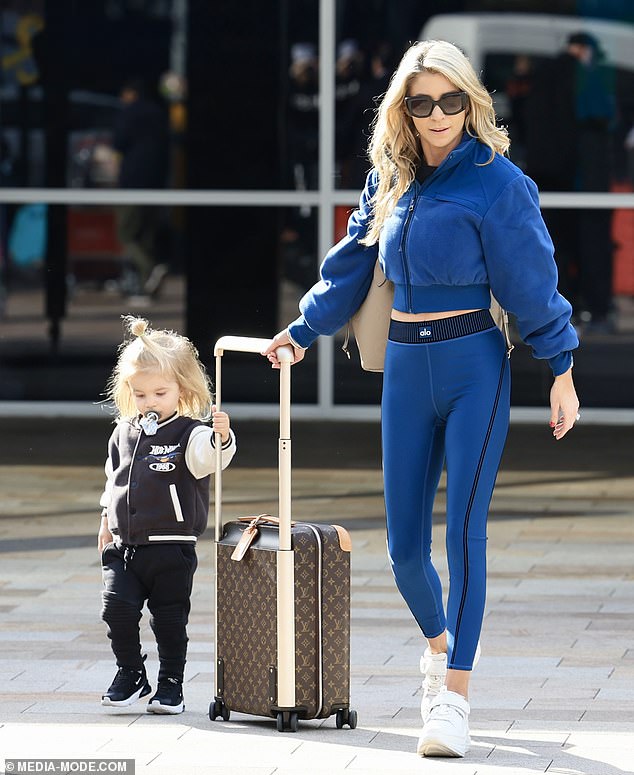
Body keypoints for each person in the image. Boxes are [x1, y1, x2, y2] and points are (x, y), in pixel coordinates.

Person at [263, 39, 580, 758]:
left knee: (463, 533)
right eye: (421, 102)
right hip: (406, 365)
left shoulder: (499, 183)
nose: (437, 115)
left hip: (476, 366)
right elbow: (349, 268)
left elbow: (533, 283)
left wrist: (561, 366)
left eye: (450, 100)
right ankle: (438, 647)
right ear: (403, 109)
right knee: (405, 547)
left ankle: (455, 697)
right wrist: (301, 329)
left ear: (471, 103)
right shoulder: (391, 180)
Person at [98, 316, 236, 714]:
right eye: (141, 395)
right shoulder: (124, 431)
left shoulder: (189, 433)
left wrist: (221, 437)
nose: (150, 402)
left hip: (171, 548)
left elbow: (209, 459)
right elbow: (113, 479)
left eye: (160, 393)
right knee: (115, 608)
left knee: (169, 618)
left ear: (182, 389)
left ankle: (171, 682)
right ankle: (130, 671)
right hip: (125, 545)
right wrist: (106, 520)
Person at [525, 32, 616, 331]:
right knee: (588, 243)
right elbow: (599, 116)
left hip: (545, 177)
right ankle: (594, 311)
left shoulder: (541, 76)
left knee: (553, 247)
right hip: (579, 177)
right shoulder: (583, 78)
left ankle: (558, 310)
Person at [113, 78, 170, 303]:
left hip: (132, 181)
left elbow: (119, 142)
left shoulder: (129, 113)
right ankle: (147, 284)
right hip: (156, 181)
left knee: (126, 233)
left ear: (130, 93)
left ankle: (150, 268)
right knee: (147, 233)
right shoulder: (158, 113)